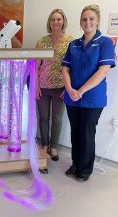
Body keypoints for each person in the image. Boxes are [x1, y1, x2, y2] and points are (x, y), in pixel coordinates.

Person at [62, 4, 115, 182]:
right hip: (72, 97)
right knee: (75, 132)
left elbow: (103, 70)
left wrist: (81, 90)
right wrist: (70, 89)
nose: (88, 22)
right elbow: (65, 69)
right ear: (80, 22)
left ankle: (85, 169)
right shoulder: (73, 44)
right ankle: (75, 164)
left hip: (92, 98)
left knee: (86, 132)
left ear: (98, 21)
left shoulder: (105, 42)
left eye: (91, 19)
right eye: (84, 19)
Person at [35, 9, 74, 161]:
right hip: (43, 86)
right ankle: (44, 144)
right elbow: (36, 65)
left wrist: (68, 87)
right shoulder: (42, 41)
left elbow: (73, 67)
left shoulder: (71, 42)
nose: (55, 22)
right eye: (52, 19)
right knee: (44, 117)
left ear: (63, 21)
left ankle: (54, 147)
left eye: (58, 19)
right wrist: (36, 86)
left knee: (57, 118)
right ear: (49, 23)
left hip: (61, 87)